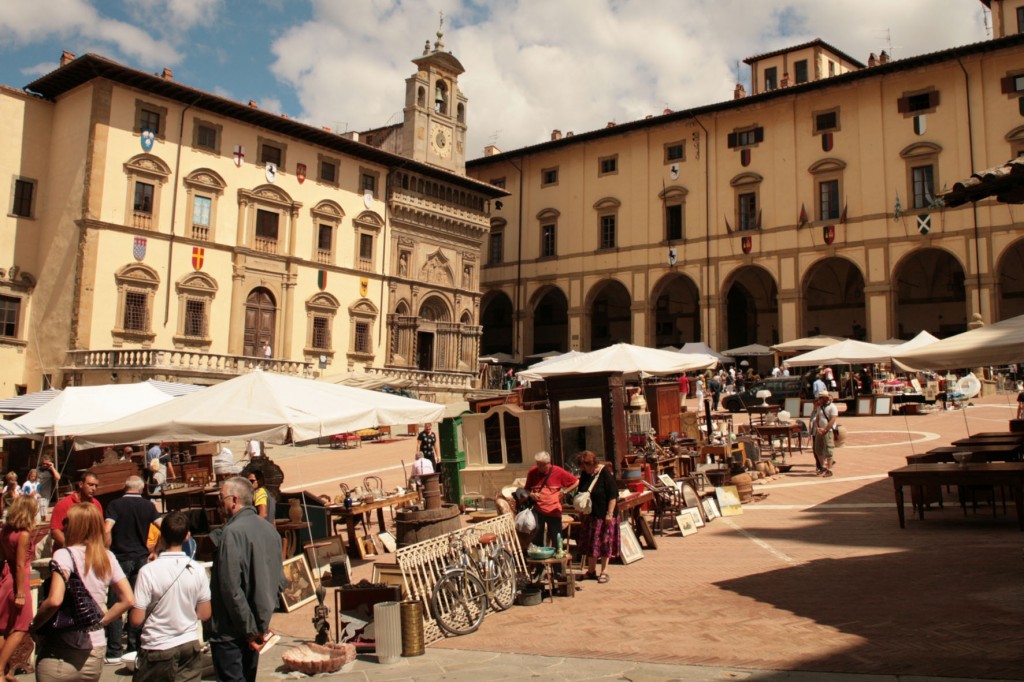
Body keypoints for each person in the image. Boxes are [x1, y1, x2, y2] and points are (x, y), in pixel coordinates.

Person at [31, 503, 133, 682]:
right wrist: (100, 622)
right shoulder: (107, 556)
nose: (63, 525)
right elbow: (128, 599)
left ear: (76, 525)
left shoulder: (65, 555)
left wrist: (35, 625)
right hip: (95, 650)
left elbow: (55, 600)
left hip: (62, 649)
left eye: (66, 521)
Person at [209, 476, 284, 682]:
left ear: (234, 500)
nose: (218, 503)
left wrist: (250, 630)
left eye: (221, 497)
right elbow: (278, 583)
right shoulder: (270, 530)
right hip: (255, 628)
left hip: (231, 631)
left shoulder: (231, 533)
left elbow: (230, 587)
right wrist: (259, 625)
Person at [129, 511, 211, 682]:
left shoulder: (147, 572)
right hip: (189, 644)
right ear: (187, 536)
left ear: (161, 536)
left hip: (157, 646)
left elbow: (136, 620)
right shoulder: (197, 570)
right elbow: (205, 614)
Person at [103, 476, 160, 665]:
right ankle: (135, 647)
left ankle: (114, 650)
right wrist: (157, 550)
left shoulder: (115, 505)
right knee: (139, 602)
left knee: (117, 603)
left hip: (120, 558)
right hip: (141, 557)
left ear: (124, 487)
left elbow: (107, 528)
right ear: (142, 489)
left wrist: (106, 549)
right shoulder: (148, 506)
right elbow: (164, 526)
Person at [0, 496, 38, 679]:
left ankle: (6, 669)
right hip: (18, 581)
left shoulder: (6, 530)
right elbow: (20, 565)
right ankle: (0, 669)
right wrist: (21, 592)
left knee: (4, 627)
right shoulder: (23, 535)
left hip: (5, 580)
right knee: (22, 626)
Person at [574, 451, 618, 584]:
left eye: (584, 466)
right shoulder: (585, 474)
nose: (583, 469)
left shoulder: (605, 473)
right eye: (581, 467)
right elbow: (581, 489)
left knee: (605, 543)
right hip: (590, 514)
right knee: (591, 544)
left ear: (592, 464)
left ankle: (604, 571)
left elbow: (613, 496)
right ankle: (591, 571)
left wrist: (609, 514)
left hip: (605, 515)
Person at [523, 451, 578, 547]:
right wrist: (531, 494)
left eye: (541, 465)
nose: (538, 468)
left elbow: (576, 481)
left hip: (553, 510)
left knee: (556, 537)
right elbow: (526, 489)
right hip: (538, 510)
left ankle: (558, 560)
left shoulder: (558, 471)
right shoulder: (532, 472)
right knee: (537, 537)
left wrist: (564, 492)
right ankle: (539, 560)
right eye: (537, 464)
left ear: (548, 463)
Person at [50, 470, 102, 551]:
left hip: (90, 553)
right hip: (67, 555)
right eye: (90, 485)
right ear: (81, 484)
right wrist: (72, 550)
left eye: (96, 486)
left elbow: (99, 530)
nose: (94, 488)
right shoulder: (63, 504)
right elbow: (55, 532)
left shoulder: (96, 504)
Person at [811, 390, 838, 477]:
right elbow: (818, 418)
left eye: (821, 398)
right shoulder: (820, 407)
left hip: (828, 431)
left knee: (829, 450)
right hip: (820, 431)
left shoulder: (832, 407)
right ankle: (822, 467)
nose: (819, 400)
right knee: (817, 449)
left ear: (826, 398)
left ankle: (829, 469)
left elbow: (833, 419)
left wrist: (825, 429)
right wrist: (818, 428)